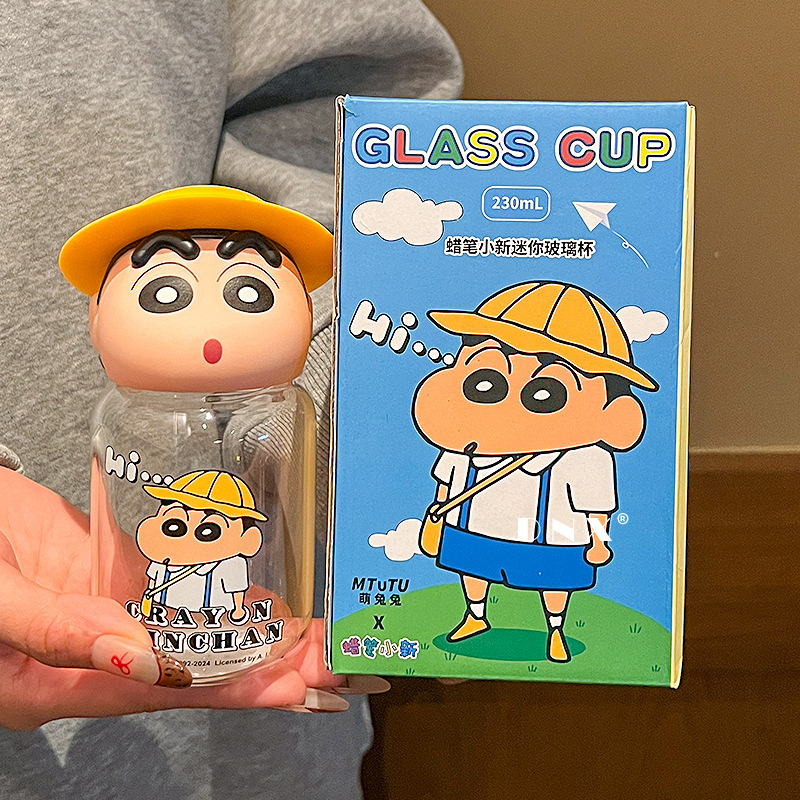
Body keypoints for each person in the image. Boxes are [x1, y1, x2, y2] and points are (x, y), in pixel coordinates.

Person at [0, 1, 462, 797]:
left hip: (245, 731)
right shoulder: (123, 419)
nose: (210, 328)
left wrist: (339, 364)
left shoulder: (278, 422)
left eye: (249, 291)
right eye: (168, 292)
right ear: (97, 312)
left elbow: (358, 136)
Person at [413, 281, 655, 662]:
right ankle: (476, 615)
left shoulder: (584, 457)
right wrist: (438, 514)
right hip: (472, 526)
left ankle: (555, 628)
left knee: (554, 581)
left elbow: (596, 503)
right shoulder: (467, 444)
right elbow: (447, 482)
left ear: (614, 416)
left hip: (551, 538)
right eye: (485, 383)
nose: (508, 407)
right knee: (472, 567)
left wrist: (598, 540)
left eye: (546, 394)